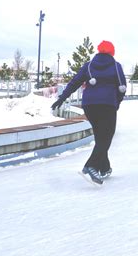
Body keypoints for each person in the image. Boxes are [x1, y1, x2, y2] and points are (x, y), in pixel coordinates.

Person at [51, 40, 127, 185]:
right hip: (107, 106)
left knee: (100, 137)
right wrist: (116, 102)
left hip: (89, 106)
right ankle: (91, 166)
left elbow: (75, 82)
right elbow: (122, 87)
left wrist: (62, 98)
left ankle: (105, 168)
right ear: (112, 52)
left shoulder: (89, 65)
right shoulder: (116, 67)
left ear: (98, 51)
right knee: (107, 137)